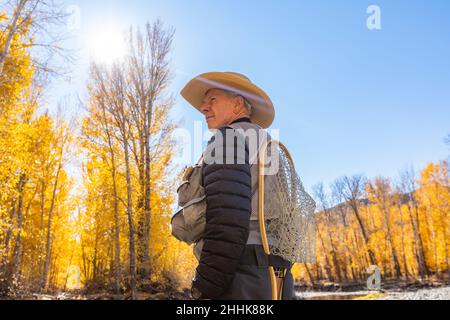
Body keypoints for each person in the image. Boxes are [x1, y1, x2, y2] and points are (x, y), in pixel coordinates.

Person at [180, 72, 294, 300]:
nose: (203, 107)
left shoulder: (227, 138)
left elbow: (227, 221)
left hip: (238, 276)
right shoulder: (268, 142)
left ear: (237, 104)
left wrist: (205, 288)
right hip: (276, 276)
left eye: (212, 99)